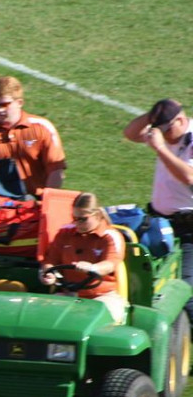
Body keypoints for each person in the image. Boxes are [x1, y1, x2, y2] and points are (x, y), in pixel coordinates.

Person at [123, 98, 193, 323]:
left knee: (185, 291)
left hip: (189, 229)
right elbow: (130, 133)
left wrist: (161, 148)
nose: (161, 135)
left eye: (166, 129)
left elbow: (189, 177)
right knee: (153, 282)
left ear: (181, 120)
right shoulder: (168, 132)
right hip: (161, 223)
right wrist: (152, 114)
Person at [0, 76, 67, 197]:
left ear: (19, 103)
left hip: (37, 203)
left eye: (4, 104)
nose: (0, 110)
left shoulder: (42, 128)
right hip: (1, 208)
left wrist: (46, 202)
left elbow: (56, 170)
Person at [39, 193, 127, 324]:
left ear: (97, 215)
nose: (77, 223)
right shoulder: (64, 233)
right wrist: (48, 273)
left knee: (96, 320)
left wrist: (93, 268)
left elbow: (111, 264)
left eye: (83, 219)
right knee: (43, 317)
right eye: (74, 218)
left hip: (103, 296)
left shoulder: (110, 236)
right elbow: (50, 261)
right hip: (69, 294)